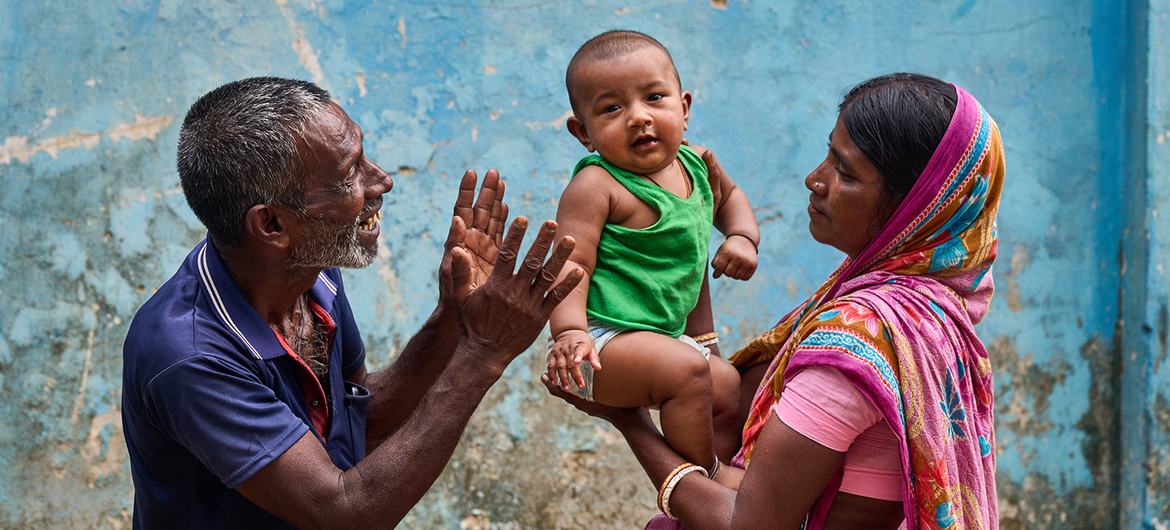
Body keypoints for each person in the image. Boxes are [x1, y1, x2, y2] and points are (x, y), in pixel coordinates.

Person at [545, 72, 1003, 529]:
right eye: (829, 153)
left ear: (917, 206)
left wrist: (630, 423)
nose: (814, 179)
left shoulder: (857, 341)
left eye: (845, 172)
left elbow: (745, 523)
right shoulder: (935, 314)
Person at [121, 76, 582, 529]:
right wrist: (482, 354)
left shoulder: (311, 272)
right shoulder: (191, 356)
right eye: (349, 174)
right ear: (272, 225)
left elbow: (362, 423)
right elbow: (344, 511)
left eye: (363, 156)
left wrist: (452, 315)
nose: (381, 181)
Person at [544, 30, 760, 473]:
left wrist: (741, 237)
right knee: (687, 372)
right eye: (612, 108)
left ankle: (720, 462)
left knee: (726, 386)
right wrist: (569, 332)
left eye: (654, 97)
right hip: (599, 344)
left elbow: (730, 197)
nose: (638, 117)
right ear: (582, 132)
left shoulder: (697, 164)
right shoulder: (596, 187)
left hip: (665, 341)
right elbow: (571, 265)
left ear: (683, 108)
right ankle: (706, 480)